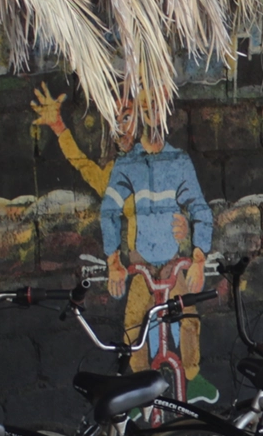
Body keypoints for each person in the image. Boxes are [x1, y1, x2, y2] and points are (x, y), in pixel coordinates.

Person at [32, 83, 216, 400]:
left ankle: (193, 376)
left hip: (172, 261)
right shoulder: (119, 170)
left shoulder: (174, 161)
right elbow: (84, 168)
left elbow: (196, 206)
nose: (123, 125)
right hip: (141, 264)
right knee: (134, 325)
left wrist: (194, 247)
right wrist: (60, 128)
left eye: (130, 115)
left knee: (188, 320)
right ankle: (139, 387)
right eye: (117, 118)